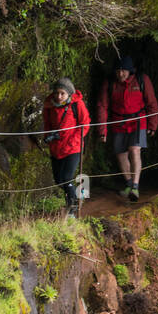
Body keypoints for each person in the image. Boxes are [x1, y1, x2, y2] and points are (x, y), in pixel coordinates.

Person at [97, 56, 158, 202]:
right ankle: (129, 184)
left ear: (130, 71)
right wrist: (102, 130)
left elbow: (151, 102)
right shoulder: (110, 83)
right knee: (120, 154)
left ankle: (135, 187)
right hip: (118, 121)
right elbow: (102, 106)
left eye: (124, 71)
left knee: (134, 150)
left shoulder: (141, 80)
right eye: (118, 71)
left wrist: (152, 123)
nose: (120, 74)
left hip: (138, 121)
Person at [42, 78, 90, 218]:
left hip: (73, 148)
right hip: (56, 148)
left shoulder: (77, 104)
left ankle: (72, 209)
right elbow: (47, 124)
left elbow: (85, 124)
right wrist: (48, 137)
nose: (59, 96)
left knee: (67, 177)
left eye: (62, 93)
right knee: (58, 180)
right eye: (57, 93)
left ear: (69, 94)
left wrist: (73, 141)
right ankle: (79, 193)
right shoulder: (49, 105)